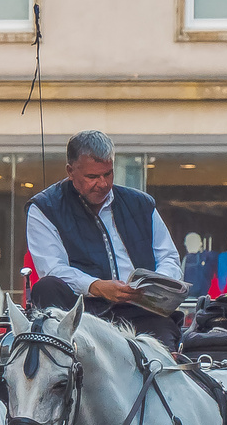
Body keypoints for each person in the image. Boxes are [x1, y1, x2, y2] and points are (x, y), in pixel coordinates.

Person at [26, 130, 184, 348]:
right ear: (70, 171)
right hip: (82, 311)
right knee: (47, 286)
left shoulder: (141, 204)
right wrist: (97, 286)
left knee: (164, 365)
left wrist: (157, 286)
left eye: (108, 174)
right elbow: (52, 268)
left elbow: (168, 257)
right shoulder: (45, 207)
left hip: (141, 311)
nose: (102, 183)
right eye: (92, 177)